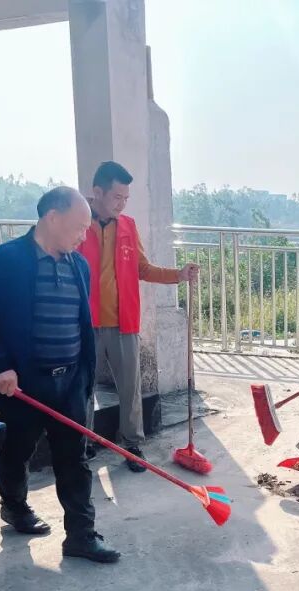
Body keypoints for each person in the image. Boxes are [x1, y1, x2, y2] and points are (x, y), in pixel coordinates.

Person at [0, 186, 120, 564]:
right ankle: (15, 506)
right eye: (79, 227)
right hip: (23, 382)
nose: (84, 236)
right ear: (52, 217)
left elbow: (80, 323)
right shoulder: (3, 260)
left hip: (71, 382)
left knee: (75, 459)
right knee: (18, 450)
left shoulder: (78, 266)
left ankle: (80, 535)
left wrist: (84, 377)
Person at [77, 161, 198, 472]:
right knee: (83, 387)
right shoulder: (77, 224)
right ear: (97, 192)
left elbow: (142, 268)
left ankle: (132, 444)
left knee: (130, 389)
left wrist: (178, 275)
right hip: (84, 322)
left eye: (125, 198)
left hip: (123, 321)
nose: (121, 204)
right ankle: (83, 443)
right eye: (117, 197)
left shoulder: (128, 226)